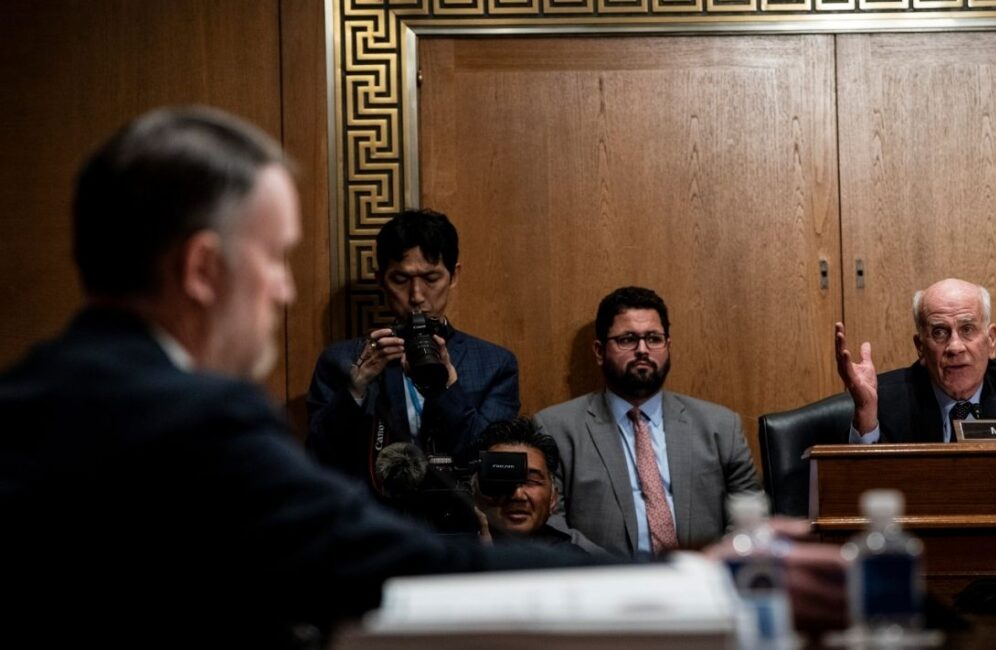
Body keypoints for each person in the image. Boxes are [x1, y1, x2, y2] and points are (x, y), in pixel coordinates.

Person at [0, 107, 590, 647]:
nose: (285, 290)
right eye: (274, 257)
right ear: (203, 268)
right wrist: (637, 574)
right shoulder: (203, 419)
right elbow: (386, 559)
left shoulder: (22, 396)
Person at [535, 286, 762, 558]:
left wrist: (715, 563)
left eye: (654, 338)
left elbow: (751, 514)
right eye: (628, 339)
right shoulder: (556, 429)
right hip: (603, 578)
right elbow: (550, 523)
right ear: (599, 351)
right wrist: (616, 573)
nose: (642, 350)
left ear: (668, 346)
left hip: (701, 575)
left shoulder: (720, 426)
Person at [306, 209, 519, 494]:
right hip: (371, 514)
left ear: (454, 276)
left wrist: (447, 388)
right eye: (400, 279)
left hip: (460, 514)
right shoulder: (341, 360)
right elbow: (319, 456)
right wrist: (357, 387)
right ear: (380, 280)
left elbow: (490, 462)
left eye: (431, 278)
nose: (417, 295)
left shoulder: (495, 364)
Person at [834, 278, 996, 444]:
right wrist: (865, 414)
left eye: (967, 329)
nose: (955, 347)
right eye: (939, 332)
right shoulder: (884, 399)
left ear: (991, 340)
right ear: (920, 347)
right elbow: (863, 486)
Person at [472, 416, 609, 555]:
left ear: (553, 498)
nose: (518, 495)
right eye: (503, 478)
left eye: (532, 481)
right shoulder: (459, 556)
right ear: (475, 490)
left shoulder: (574, 562)